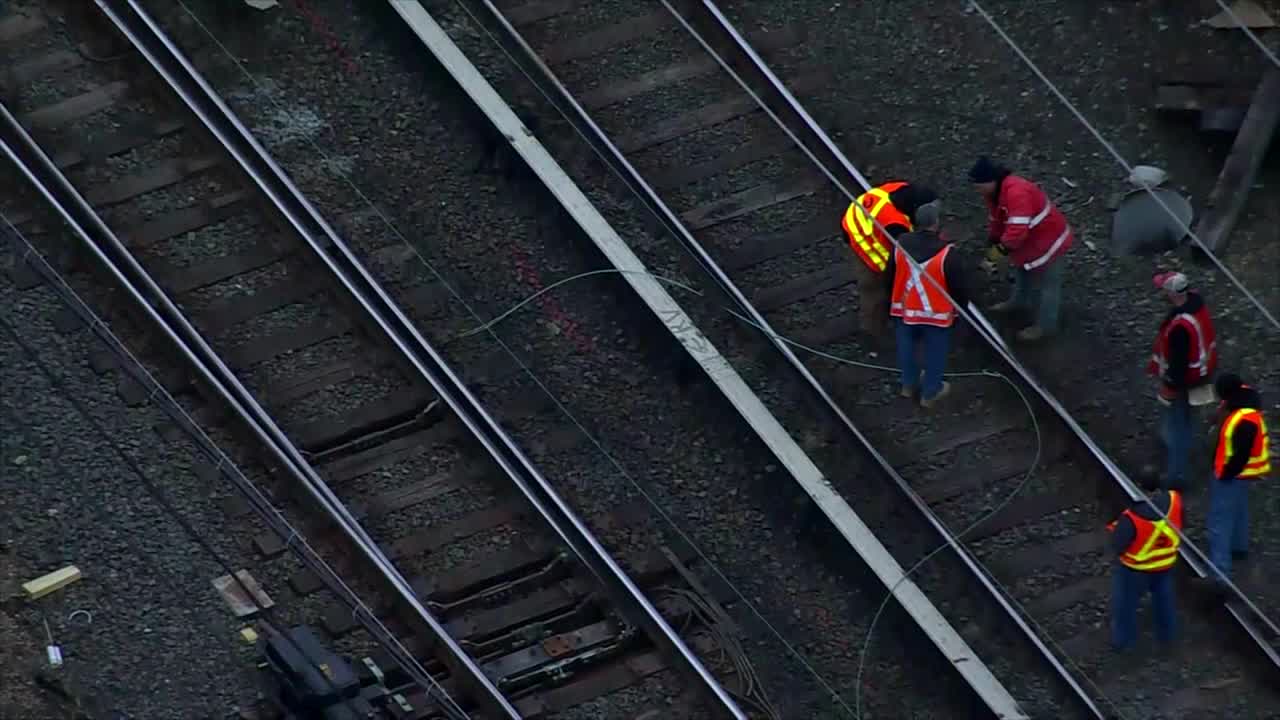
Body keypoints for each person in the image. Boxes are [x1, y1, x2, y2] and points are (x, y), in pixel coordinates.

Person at [968, 156, 1074, 341]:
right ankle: (1019, 301)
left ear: (990, 181)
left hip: (1051, 242)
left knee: (1048, 286)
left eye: (978, 186)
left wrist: (994, 255)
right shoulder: (993, 194)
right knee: (1021, 271)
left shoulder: (1017, 193)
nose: (976, 191)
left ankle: (1046, 326)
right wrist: (993, 241)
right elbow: (997, 219)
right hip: (1030, 243)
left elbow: (1016, 231)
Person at [883, 200, 970, 408]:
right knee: (935, 351)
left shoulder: (899, 244)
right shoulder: (947, 254)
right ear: (936, 223)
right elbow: (959, 288)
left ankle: (908, 383)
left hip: (904, 309)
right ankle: (930, 392)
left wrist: (891, 303)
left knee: (906, 346)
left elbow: (889, 277)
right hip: (936, 314)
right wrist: (961, 310)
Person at [1146, 271, 1218, 490]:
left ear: (1173, 294)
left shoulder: (1180, 327)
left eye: (1164, 290)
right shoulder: (1197, 306)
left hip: (1186, 383)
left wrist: (1168, 389)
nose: (1162, 294)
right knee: (1188, 420)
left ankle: (1176, 477)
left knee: (1179, 426)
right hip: (1203, 375)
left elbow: (1178, 366)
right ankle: (1180, 452)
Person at [841, 181, 938, 338]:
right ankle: (873, 331)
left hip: (862, 220)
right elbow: (906, 255)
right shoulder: (895, 224)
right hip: (860, 239)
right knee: (875, 290)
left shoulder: (902, 188)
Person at [1204, 373, 1270, 588]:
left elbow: (1240, 454)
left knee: (1219, 521)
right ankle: (1239, 547)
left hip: (1232, 474)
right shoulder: (1247, 403)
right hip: (1245, 475)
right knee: (1240, 509)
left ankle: (1219, 575)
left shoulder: (1243, 420)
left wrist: (1225, 473)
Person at [1106, 474, 1181, 650]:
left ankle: (1124, 642)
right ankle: (1167, 636)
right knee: (1164, 599)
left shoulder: (1131, 517)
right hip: (1165, 564)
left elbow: (1118, 545)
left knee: (1126, 604)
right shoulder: (1175, 499)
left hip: (1136, 570)